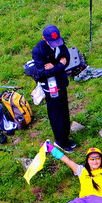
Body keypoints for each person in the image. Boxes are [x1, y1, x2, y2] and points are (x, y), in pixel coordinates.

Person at [32, 24, 76, 152]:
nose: (56, 45)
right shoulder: (38, 51)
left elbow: (66, 58)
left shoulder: (60, 44)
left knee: (64, 110)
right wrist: (59, 66)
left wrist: (55, 67)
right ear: (44, 39)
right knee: (56, 114)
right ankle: (60, 141)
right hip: (50, 87)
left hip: (61, 83)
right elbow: (42, 74)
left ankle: (66, 137)